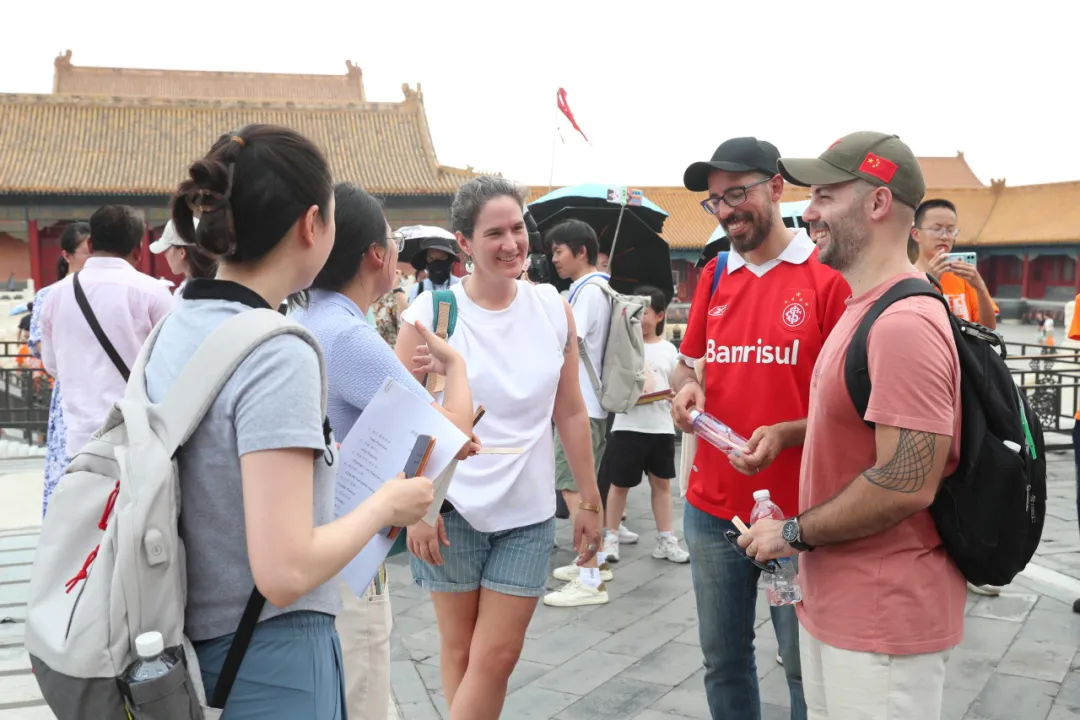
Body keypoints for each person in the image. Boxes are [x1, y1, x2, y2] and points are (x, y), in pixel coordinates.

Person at [143, 125, 434, 718]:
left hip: (189, 635)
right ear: (311, 224)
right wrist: (386, 504)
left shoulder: (178, 323)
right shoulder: (279, 351)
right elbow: (285, 568)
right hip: (268, 655)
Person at [739, 131, 963, 720]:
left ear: (878, 202)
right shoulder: (861, 307)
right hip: (839, 603)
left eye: (824, 195)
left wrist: (791, 533)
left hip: (882, 618)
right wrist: (790, 433)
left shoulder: (903, 324)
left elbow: (907, 481)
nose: (808, 212)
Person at [396, 176, 603, 720]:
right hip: (450, 508)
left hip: (527, 510)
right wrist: (416, 507)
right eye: (494, 233)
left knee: (498, 655)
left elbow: (570, 410)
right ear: (465, 243)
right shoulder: (431, 315)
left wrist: (588, 498)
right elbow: (400, 419)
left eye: (517, 228)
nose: (511, 243)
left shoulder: (552, 308)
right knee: (460, 649)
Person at [672, 136, 850, 720]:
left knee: (801, 665)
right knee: (722, 660)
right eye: (715, 200)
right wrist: (687, 388)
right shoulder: (716, 273)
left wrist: (788, 432)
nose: (726, 210)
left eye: (737, 193)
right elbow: (687, 363)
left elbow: (854, 403)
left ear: (776, 187)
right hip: (713, 507)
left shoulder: (827, 277)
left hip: (797, 513)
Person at [290, 182, 476, 719]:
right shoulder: (348, 334)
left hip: (319, 537)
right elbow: (450, 434)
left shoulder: (309, 317)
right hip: (350, 551)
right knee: (364, 696)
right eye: (393, 240)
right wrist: (456, 368)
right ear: (376, 254)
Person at [40, 205, 173, 456]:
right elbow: (171, 364)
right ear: (139, 250)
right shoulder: (153, 293)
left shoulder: (55, 296)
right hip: (138, 434)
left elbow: (51, 364)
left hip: (80, 438)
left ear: (90, 244)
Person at [544, 218, 623, 607]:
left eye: (559, 251)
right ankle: (595, 562)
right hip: (590, 404)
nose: (554, 259)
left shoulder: (589, 293)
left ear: (581, 252)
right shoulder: (595, 288)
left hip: (581, 406)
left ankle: (590, 578)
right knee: (585, 487)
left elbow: (565, 342)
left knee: (574, 488)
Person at [600, 285, 688, 564]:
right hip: (627, 426)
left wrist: (675, 395)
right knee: (619, 484)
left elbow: (677, 385)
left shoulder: (668, 350)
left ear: (660, 316)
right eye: (636, 312)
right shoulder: (623, 345)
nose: (640, 317)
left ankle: (666, 539)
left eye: (646, 312)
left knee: (662, 484)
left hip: (660, 428)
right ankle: (611, 536)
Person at [28, 221, 89, 515]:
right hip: (70, 392)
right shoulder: (48, 296)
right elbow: (43, 351)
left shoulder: (107, 290)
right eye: (88, 252)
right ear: (67, 256)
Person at [910, 198, 997, 330]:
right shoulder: (907, 278)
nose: (945, 237)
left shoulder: (962, 277)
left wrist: (981, 288)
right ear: (916, 234)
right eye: (936, 229)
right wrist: (929, 284)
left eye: (950, 230)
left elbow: (988, 329)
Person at [149, 218, 219, 305]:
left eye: (167, 249)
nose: (165, 255)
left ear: (182, 252)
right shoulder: (218, 286)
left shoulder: (191, 294)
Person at [408, 237, 461, 302]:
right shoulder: (417, 289)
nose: (437, 264)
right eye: (431, 259)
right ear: (426, 261)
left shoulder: (461, 285)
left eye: (442, 258)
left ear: (449, 260)